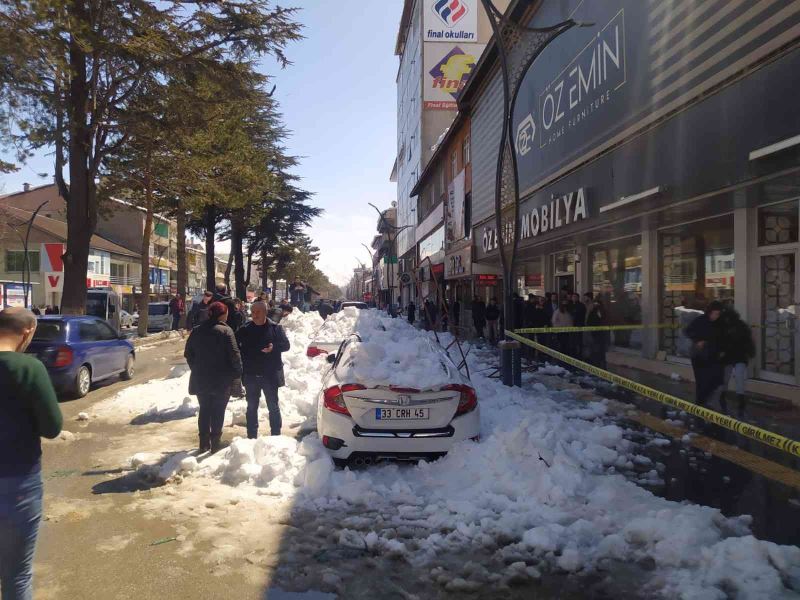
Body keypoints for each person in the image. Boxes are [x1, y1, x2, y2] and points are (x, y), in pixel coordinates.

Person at [0, 308, 63, 599]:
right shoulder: (27, 368)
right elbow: (52, 427)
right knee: (17, 575)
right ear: (26, 332)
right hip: (18, 484)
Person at [184, 301, 242, 452]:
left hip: (200, 378)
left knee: (204, 409)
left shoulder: (197, 331)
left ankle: (203, 443)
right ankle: (215, 443)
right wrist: (237, 374)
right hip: (222, 380)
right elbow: (235, 356)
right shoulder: (226, 331)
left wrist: (196, 368)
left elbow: (188, 354)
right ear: (223, 314)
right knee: (218, 410)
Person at [236, 301, 290, 438]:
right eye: (253, 312)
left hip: (270, 374)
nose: (254, 315)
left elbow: (286, 345)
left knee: (273, 406)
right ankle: (251, 435)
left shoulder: (275, 328)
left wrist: (274, 348)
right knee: (252, 406)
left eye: (258, 312)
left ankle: (276, 435)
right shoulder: (245, 329)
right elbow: (235, 347)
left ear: (265, 312)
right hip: (251, 375)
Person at [685, 301, 725, 407]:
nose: (716, 316)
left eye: (718, 314)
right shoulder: (700, 321)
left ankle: (710, 404)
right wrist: (698, 340)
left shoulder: (719, 323)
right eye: (715, 314)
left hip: (713, 356)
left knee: (715, 381)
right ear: (710, 312)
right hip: (699, 356)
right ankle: (700, 405)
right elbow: (688, 331)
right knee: (702, 381)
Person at [717, 307, 756, 416]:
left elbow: (720, 342)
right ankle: (740, 402)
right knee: (739, 379)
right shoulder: (741, 326)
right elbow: (748, 341)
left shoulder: (723, 327)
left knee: (726, 379)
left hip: (729, 357)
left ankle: (723, 398)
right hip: (739, 356)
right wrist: (750, 353)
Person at [586, 299, 610, 368]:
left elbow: (605, 320)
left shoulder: (603, 312)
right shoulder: (592, 312)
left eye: (597, 304)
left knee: (601, 349)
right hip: (595, 334)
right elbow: (589, 322)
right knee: (596, 349)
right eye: (595, 304)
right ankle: (596, 363)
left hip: (602, 333)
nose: (596, 305)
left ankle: (601, 363)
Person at [570, 292, 587, 358]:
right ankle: (573, 353)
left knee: (579, 340)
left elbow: (581, 315)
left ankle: (579, 354)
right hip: (571, 326)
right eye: (573, 297)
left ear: (578, 298)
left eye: (575, 297)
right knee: (572, 340)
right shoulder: (570, 305)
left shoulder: (581, 305)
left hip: (579, 325)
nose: (574, 298)